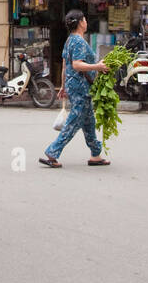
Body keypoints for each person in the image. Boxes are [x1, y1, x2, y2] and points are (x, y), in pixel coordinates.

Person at [40, 9, 111, 169]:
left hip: (74, 86)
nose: (86, 22)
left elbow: (65, 65)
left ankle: (95, 154)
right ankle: (53, 151)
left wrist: (63, 86)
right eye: (84, 19)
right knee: (74, 121)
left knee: (88, 121)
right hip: (81, 87)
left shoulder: (70, 40)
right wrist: (98, 66)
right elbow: (76, 64)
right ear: (80, 23)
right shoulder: (78, 42)